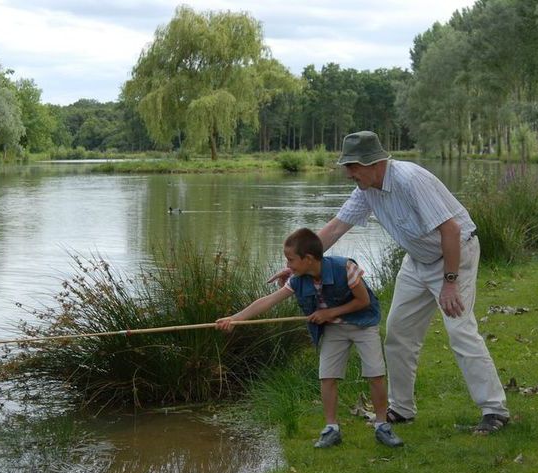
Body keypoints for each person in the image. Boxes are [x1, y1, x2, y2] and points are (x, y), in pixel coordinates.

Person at [271, 131, 510, 435]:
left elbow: (450, 230)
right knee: (398, 333)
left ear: (374, 163)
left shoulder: (410, 180)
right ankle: (402, 408)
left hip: (454, 255)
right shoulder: (366, 190)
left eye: (353, 166)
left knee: (460, 330)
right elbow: (335, 229)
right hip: (417, 260)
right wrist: (296, 268)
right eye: (347, 167)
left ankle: (494, 410)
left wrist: (450, 282)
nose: (348, 173)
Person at [216, 228, 403, 449]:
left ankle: (382, 426)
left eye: (290, 259)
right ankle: (331, 429)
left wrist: (328, 313)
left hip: (363, 324)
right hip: (334, 329)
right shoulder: (297, 279)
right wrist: (235, 319)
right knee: (327, 376)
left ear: (308, 259)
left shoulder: (346, 268)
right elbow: (269, 300)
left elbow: (363, 301)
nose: (287, 265)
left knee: (375, 374)